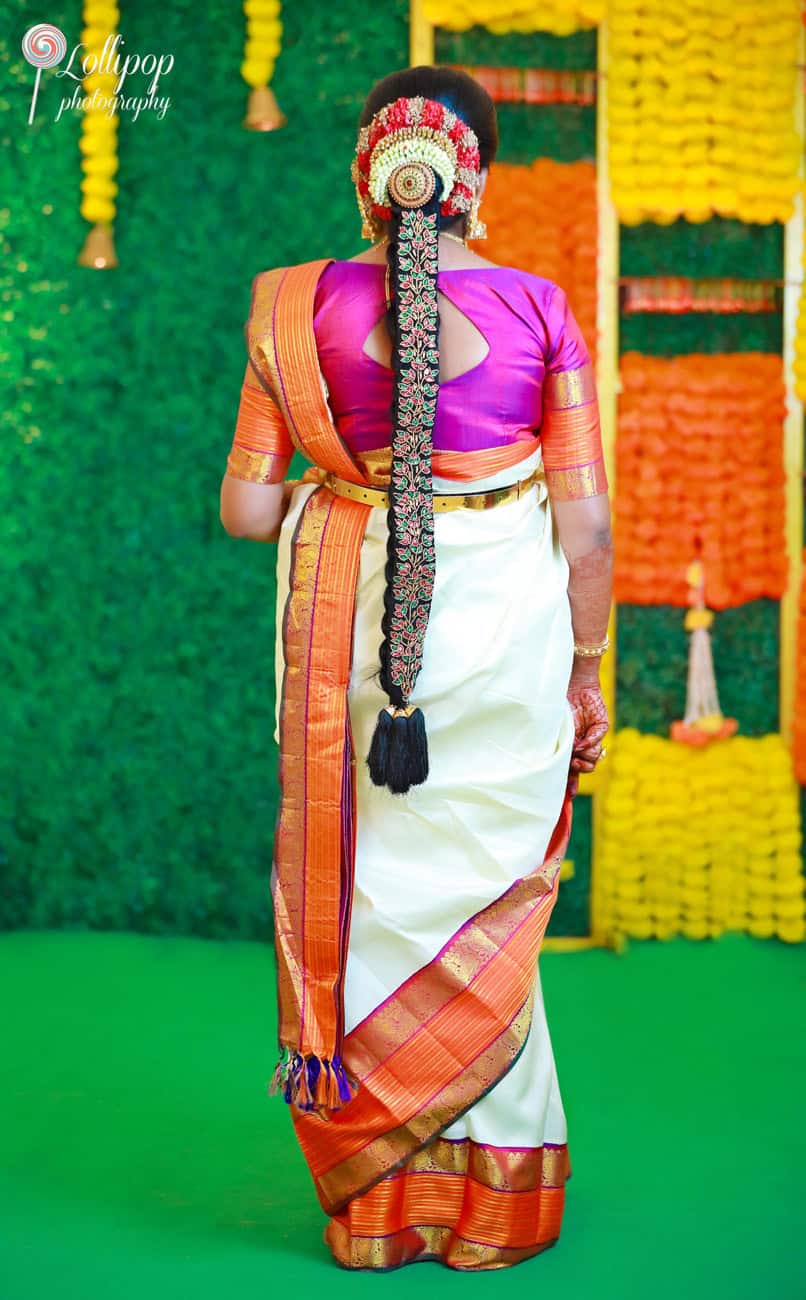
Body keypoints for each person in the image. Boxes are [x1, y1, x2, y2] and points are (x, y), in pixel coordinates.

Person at [219, 64, 613, 1273]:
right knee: (485, 896)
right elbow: (586, 530)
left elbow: (243, 508)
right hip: (505, 630)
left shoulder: (291, 306)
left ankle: (375, 1213)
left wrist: (352, 499)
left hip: (346, 625)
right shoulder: (543, 307)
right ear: (473, 175)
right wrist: (587, 667)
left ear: (368, 171)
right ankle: (491, 1207)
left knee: (375, 891)